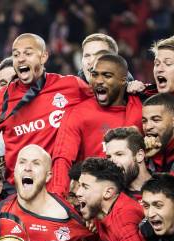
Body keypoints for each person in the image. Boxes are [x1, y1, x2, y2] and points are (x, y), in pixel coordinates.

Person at [0, 33, 92, 184]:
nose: (21, 58)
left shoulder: (71, 86)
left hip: (59, 187)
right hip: (18, 189)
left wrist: (129, 87)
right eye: (16, 54)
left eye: (28, 53)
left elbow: (106, 98)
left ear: (43, 57)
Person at [50, 54, 143, 195]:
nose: (99, 81)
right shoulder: (78, 113)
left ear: (123, 80)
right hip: (93, 197)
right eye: (95, 75)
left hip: (135, 194)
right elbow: (63, 158)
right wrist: (58, 196)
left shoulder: (140, 109)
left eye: (107, 75)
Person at [104, 127, 152, 202]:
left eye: (119, 154)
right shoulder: (112, 198)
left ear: (139, 155)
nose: (112, 161)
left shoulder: (166, 186)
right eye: (108, 157)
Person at [143, 93, 174, 172]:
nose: (147, 127)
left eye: (156, 120)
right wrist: (145, 159)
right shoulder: (146, 154)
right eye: (144, 121)